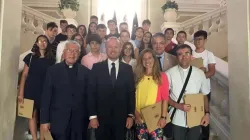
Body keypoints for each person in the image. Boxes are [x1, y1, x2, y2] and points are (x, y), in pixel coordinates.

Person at [87, 37, 135, 140]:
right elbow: (91, 93)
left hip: (121, 118)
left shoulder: (127, 69)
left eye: (116, 47)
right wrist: (92, 116)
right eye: (110, 47)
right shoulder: (96, 68)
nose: (113, 50)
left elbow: (131, 93)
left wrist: (130, 115)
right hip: (101, 118)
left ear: (120, 48)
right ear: (105, 48)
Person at [40, 41, 89, 140]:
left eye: (76, 51)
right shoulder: (52, 71)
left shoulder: (86, 72)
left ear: (79, 54)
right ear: (64, 53)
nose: (72, 53)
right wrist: (44, 121)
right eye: (70, 50)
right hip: (58, 120)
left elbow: (89, 97)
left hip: (79, 122)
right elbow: (46, 97)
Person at [166, 44, 210, 140]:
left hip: (196, 117)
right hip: (177, 118)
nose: (184, 56)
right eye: (180, 54)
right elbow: (165, 96)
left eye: (187, 53)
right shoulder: (169, 73)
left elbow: (204, 95)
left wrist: (207, 113)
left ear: (191, 56)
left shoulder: (200, 73)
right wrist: (178, 106)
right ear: (177, 57)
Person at [18, 35, 55, 140]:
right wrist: (21, 93)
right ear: (37, 43)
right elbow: (24, 75)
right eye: (40, 41)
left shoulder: (51, 59)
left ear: (47, 44)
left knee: (44, 116)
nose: (42, 43)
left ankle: (43, 138)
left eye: (45, 41)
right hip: (31, 89)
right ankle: (34, 138)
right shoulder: (30, 57)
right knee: (31, 115)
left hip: (45, 90)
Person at [134, 48, 169, 140]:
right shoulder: (137, 76)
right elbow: (132, 97)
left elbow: (165, 98)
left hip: (155, 119)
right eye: (144, 59)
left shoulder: (162, 76)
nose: (147, 61)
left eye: (149, 58)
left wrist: (163, 117)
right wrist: (135, 113)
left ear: (154, 59)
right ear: (141, 61)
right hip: (140, 118)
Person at [192, 30, 216, 140]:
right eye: (196, 39)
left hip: (205, 89)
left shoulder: (209, 54)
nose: (198, 41)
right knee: (193, 114)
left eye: (200, 39)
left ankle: (205, 137)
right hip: (192, 89)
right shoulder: (190, 53)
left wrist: (201, 75)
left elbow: (212, 71)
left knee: (205, 114)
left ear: (205, 40)